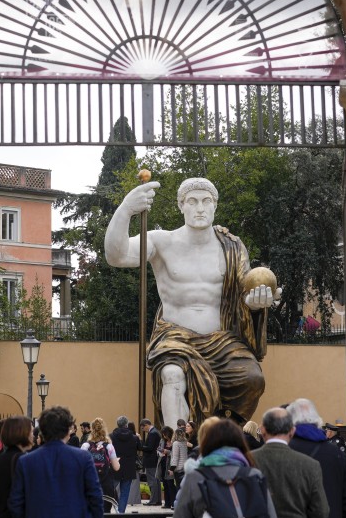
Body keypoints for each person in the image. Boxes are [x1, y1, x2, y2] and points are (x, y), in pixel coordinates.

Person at [104, 177, 279, 428]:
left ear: (215, 206)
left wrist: (254, 304)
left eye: (206, 201)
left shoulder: (232, 246)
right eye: (192, 201)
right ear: (181, 206)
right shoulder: (162, 241)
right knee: (173, 376)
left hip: (221, 342)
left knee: (253, 379)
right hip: (175, 339)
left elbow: (242, 298)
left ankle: (220, 434)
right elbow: (116, 255)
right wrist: (126, 209)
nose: (200, 208)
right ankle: (178, 446)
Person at [81, 416, 120, 518]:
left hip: (90, 483)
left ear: (91, 430)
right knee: (106, 510)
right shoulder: (109, 447)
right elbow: (116, 467)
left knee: (90, 510)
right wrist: (116, 461)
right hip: (106, 483)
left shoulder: (86, 446)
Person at [110, 415, 142, 513]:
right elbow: (139, 448)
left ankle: (107, 510)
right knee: (125, 492)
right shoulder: (134, 437)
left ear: (117, 424)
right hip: (129, 466)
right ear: (127, 425)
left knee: (109, 489)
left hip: (115, 465)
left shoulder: (111, 436)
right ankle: (121, 513)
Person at [141, 417, 162, 506]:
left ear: (146, 425)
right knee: (156, 480)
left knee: (152, 481)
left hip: (151, 460)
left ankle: (153, 500)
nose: (143, 430)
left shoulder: (152, 433)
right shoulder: (155, 431)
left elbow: (149, 448)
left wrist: (140, 444)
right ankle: (157, 500)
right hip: (154, 460)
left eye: (143, 428)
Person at [158, 426, 176, 509]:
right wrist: (159, 451)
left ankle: (173, 503)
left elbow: (175, 453)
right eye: (163, 435)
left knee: (170, 484)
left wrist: (167, 452)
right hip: (163, 462)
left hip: (171, 464)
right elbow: (159, 448)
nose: (164, 436)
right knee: (165, 484)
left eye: (165, 434)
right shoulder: (162, 440)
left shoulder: (174, 441)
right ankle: (167, 503)